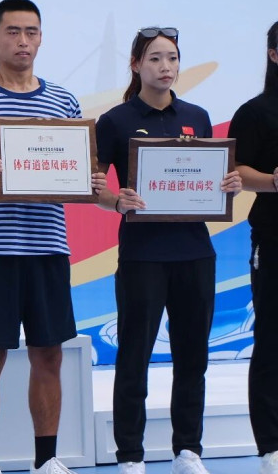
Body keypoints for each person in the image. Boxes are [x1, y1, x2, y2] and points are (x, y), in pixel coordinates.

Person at [0, 0, 105, 474]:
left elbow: (80, 170)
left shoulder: (64, 101)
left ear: (41, 38)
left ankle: (46, 459)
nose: (23, 41)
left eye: (31, 32)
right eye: (13, 32)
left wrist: (89, 180)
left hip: (49, 247)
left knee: (49, 355)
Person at [95, 27, 241, 474]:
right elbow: (93, 184)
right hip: (142, 256)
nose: (166, 67)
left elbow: (209, 175)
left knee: (193, 357)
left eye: (172, 58)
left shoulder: (197, 116)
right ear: (136, 65)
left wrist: (227, 185)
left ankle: (188, 450)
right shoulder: (115, 121)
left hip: (195, 253)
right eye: (155, 58)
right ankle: (130, 455)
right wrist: (117, 200)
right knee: (134, 357)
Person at [229, 21, 278, 474]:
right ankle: (271, 447)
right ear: (274, 54)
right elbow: (235, 171)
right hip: (274, 237)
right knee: (272, 341)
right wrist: (274, 180)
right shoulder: (256, 111)